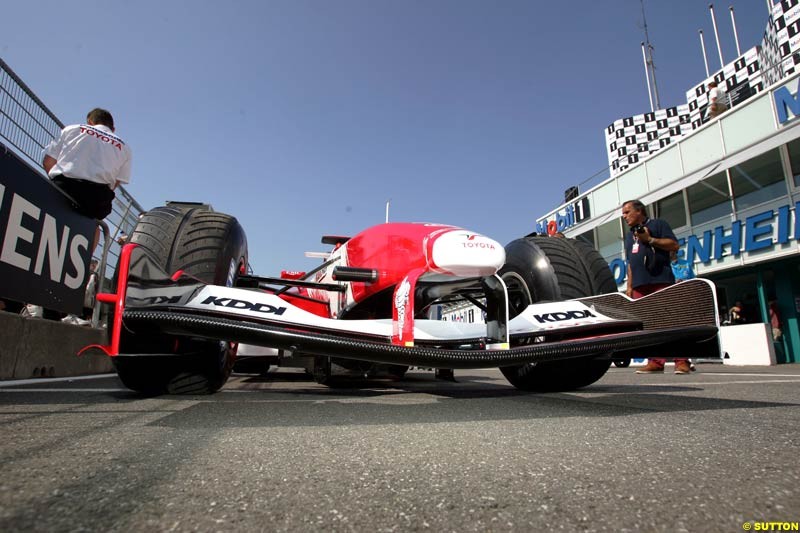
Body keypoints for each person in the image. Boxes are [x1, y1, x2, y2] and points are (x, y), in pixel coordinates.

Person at [43, 108, 132, 253]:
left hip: (63, 184)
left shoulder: (72, 129)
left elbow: (48, 161)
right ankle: (84, 259)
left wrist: (55, 183)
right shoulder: (125, 148)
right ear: (113, 128)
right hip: (96, 197)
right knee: (94, 224)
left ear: (90, 122)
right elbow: (115, 183)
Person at [621, 199, 690, 374]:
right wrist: (629, 287)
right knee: (648, 325)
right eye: (623, 213)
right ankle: (655, 361)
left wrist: (650, 239)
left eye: (627, 212)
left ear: (639, 211)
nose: (624, 216)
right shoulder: (630, 236)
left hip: (660, 280)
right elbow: (631, 262)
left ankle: (681, 361)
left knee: (669, 321)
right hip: (639, 285)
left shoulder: (658, 224)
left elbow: (674, 245)